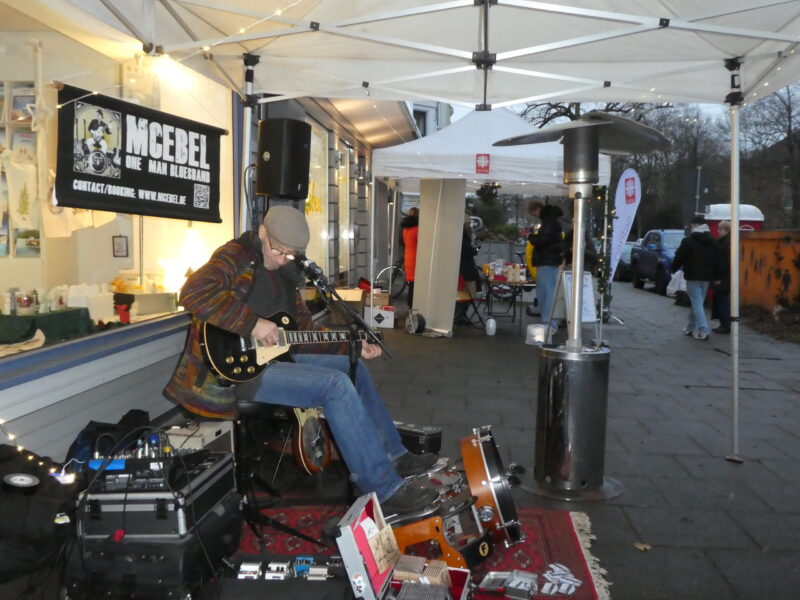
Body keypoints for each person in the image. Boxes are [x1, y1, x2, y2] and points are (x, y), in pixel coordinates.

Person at [164, 206, 439, 515]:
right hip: (231, 372)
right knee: (334, 385)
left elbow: (304, 333)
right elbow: (193, 292)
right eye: (278, 250)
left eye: (291, 254)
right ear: (263, 233)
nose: (283, 259)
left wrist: (351, 345)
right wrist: (251, 324)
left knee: (354, 368)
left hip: (275, 361)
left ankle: (395, 456)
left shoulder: (287, 274)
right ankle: (384, 489)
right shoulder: (235, 256)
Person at [671, 217, 720, 340]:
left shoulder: (688, 241)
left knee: (697, 303)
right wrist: (717, 276)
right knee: (697, 302)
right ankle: (690, 327)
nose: (691, 227)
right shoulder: (714, 241)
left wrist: (673, 268)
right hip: (707, 277)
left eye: (692, 225)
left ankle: (703, 330)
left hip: (693, 275)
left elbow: (680, 257)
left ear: (696, 225)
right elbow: (718, 261)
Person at [528, 201, 564, 333]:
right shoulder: (553, 220)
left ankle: (548, 324)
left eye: (534, 213)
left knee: (546, 293)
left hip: (547, 261)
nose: (535, 216)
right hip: (550, 260)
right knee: (547, 292)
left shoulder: (548, 221)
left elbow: (543, 241)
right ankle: (549, 322)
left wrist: (531, 237)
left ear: (538, 209)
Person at [712, 220, 731, 334]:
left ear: (726, 230)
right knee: (721, 300)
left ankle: (725, 325)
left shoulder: (726, 243)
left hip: (723, 278)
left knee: (722, 301)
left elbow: (724, 263)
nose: (718, 231)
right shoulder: (725, 242)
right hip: (725, 277)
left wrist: (718, 277)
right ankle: (723, 323)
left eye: (720, 229)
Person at [400, 207, 419, 310]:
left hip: (408, 257)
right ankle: (412, 306)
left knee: (412, 284)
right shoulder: (417, 229)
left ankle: (410, 305)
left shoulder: (405, 229)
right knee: (416, 285)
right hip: (416, 259)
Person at [459, 213, 482, 299]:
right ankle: (479, 291)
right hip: (467, 270)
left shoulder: (460, 238)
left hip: (461, 270)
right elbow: (473, 252)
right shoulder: (465, 240)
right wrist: (477, 248)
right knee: (475, 273)